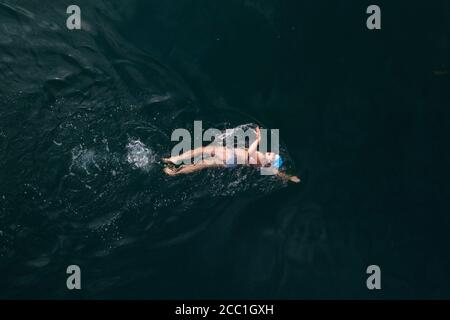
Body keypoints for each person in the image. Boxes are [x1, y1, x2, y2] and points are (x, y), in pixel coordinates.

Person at [162, 127, 300, 183]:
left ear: (269, 162)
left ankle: (175, 159)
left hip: (232, 156)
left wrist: (258, 140)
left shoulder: (262, 159)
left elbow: (249, 155)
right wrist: (290, 177)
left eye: (272, 156)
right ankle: (175, 172)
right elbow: (278, 173)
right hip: (231, 163)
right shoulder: (266, 167)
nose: (271, 153)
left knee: (204, 150)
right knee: (201, 164)